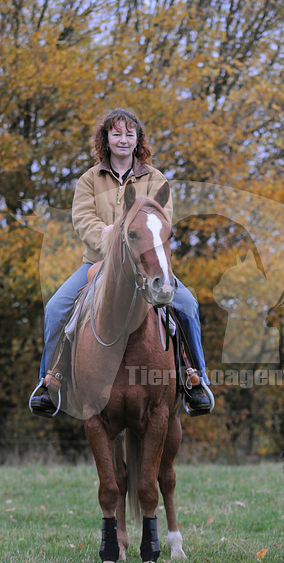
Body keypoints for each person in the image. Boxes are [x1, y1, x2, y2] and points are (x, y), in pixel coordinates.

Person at [29, 108, 213, 417]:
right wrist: (112, 239)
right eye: (116, 133)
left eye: (129, 134)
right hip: (98, 264)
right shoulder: (88, 180)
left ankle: (197, 380)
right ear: (106, 139)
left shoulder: (156, 180)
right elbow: (83, 220)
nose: (123, 140)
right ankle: (49, 383)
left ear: (138, 138)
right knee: (56, 309)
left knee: (188, 306)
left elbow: (161, 223)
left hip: (146, 266)